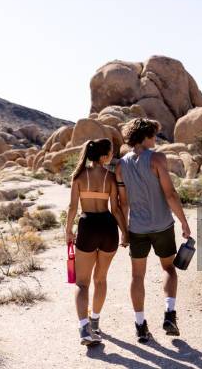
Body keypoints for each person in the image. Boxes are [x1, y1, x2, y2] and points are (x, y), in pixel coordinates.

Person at [115, 118, 192, 343]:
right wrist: (184, 222)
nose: (155, 140)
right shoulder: (157, 158)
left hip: (137, 228)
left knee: (137, 276)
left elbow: (123, 202)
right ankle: (169, 314)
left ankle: (140, 325)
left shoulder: (121, 165)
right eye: (154, 136)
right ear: (146, 136)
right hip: (162, 226)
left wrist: (124, 231)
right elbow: (170, 194)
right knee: (169, 268)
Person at [65, 138, 128, 346]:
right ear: (103, 156)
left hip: (88, 226)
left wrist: (68, 231)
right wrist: (125, 232)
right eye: (110, 153)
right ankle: (95, 323)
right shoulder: (110, 177)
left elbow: (73, 207)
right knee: (100, 279)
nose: (112, 156)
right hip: (108, 228)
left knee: (82, 283)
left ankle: (84, 329)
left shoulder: (78, 177)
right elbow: (116, 209)